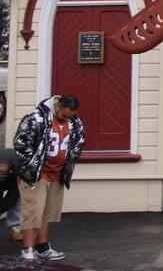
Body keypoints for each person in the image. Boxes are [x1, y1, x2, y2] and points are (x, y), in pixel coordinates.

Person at [14, 95, 85, 261]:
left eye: (71, 116)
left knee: (49, 212)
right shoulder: (36, 119)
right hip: (37, 175)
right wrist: (32, 166)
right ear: (58, 106)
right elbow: (21, 143)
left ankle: (43, 247)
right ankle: (27, 250)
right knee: (32, 211)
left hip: (58, 174)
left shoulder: (75, 122)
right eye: (65, 115)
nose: (67, 118)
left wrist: (69, 161)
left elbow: (79, 142)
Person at [0, 148, 22, 242]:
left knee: (18, 200)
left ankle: (14, 229)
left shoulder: (18, 168)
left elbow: (13, 195)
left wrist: (1, 210)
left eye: (2, 177)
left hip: (14, 181)